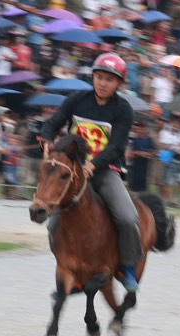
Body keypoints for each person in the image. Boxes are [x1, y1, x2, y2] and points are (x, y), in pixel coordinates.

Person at [37, 53, 142, 293]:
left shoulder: (123, 110)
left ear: (119, 84)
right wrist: (47, 139)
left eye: (110, 79)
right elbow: (53, 122)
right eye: (99, 77)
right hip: (72, 171)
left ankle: (127, 267)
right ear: (93, 77)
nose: (103, 83)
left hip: (105, 171)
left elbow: (116, 146)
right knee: (53, 223)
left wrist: (93, 166)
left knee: (127, 217)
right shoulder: (76, 100)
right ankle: (65, 264)